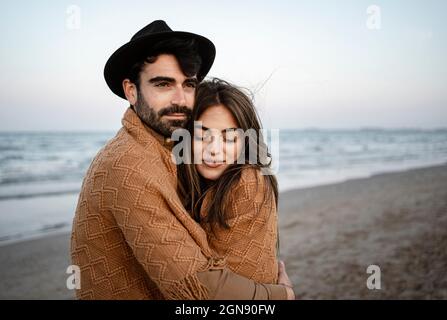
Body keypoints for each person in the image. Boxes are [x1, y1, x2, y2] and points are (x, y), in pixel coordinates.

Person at [70, 20, 294, 300]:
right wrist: (281, 297)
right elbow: (196, 289)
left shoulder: (171, 152)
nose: (180, 99)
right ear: (131, 91)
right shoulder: (128, 164)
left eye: (188, 84)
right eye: (163, 84)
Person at [177, 79, 281, 284]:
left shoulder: (249, 181)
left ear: (246, 142)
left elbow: (218, 282)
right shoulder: (186, 184)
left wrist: (281, 293)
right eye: (202, 135)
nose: (214, 149)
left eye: (230, 138)